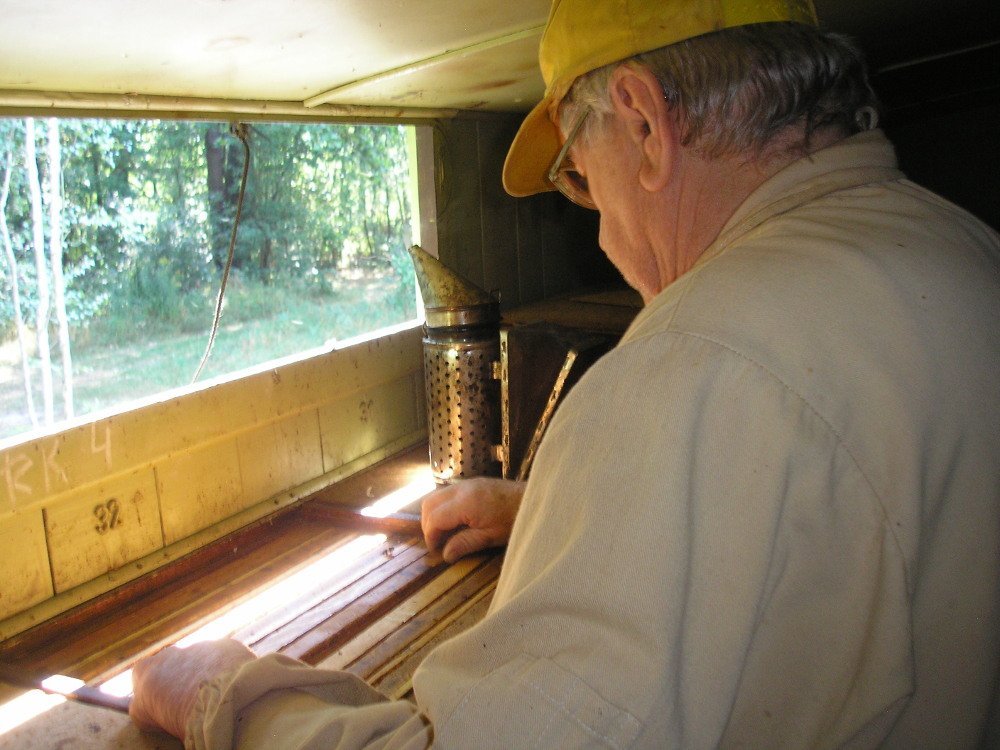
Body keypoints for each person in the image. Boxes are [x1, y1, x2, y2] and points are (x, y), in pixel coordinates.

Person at [131, 0, 1000, 747]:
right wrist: (565, 509)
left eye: (582, 180)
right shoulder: (961, 245)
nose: (603, 235)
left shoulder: (690, 364)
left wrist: (228, 697)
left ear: (644, 123)